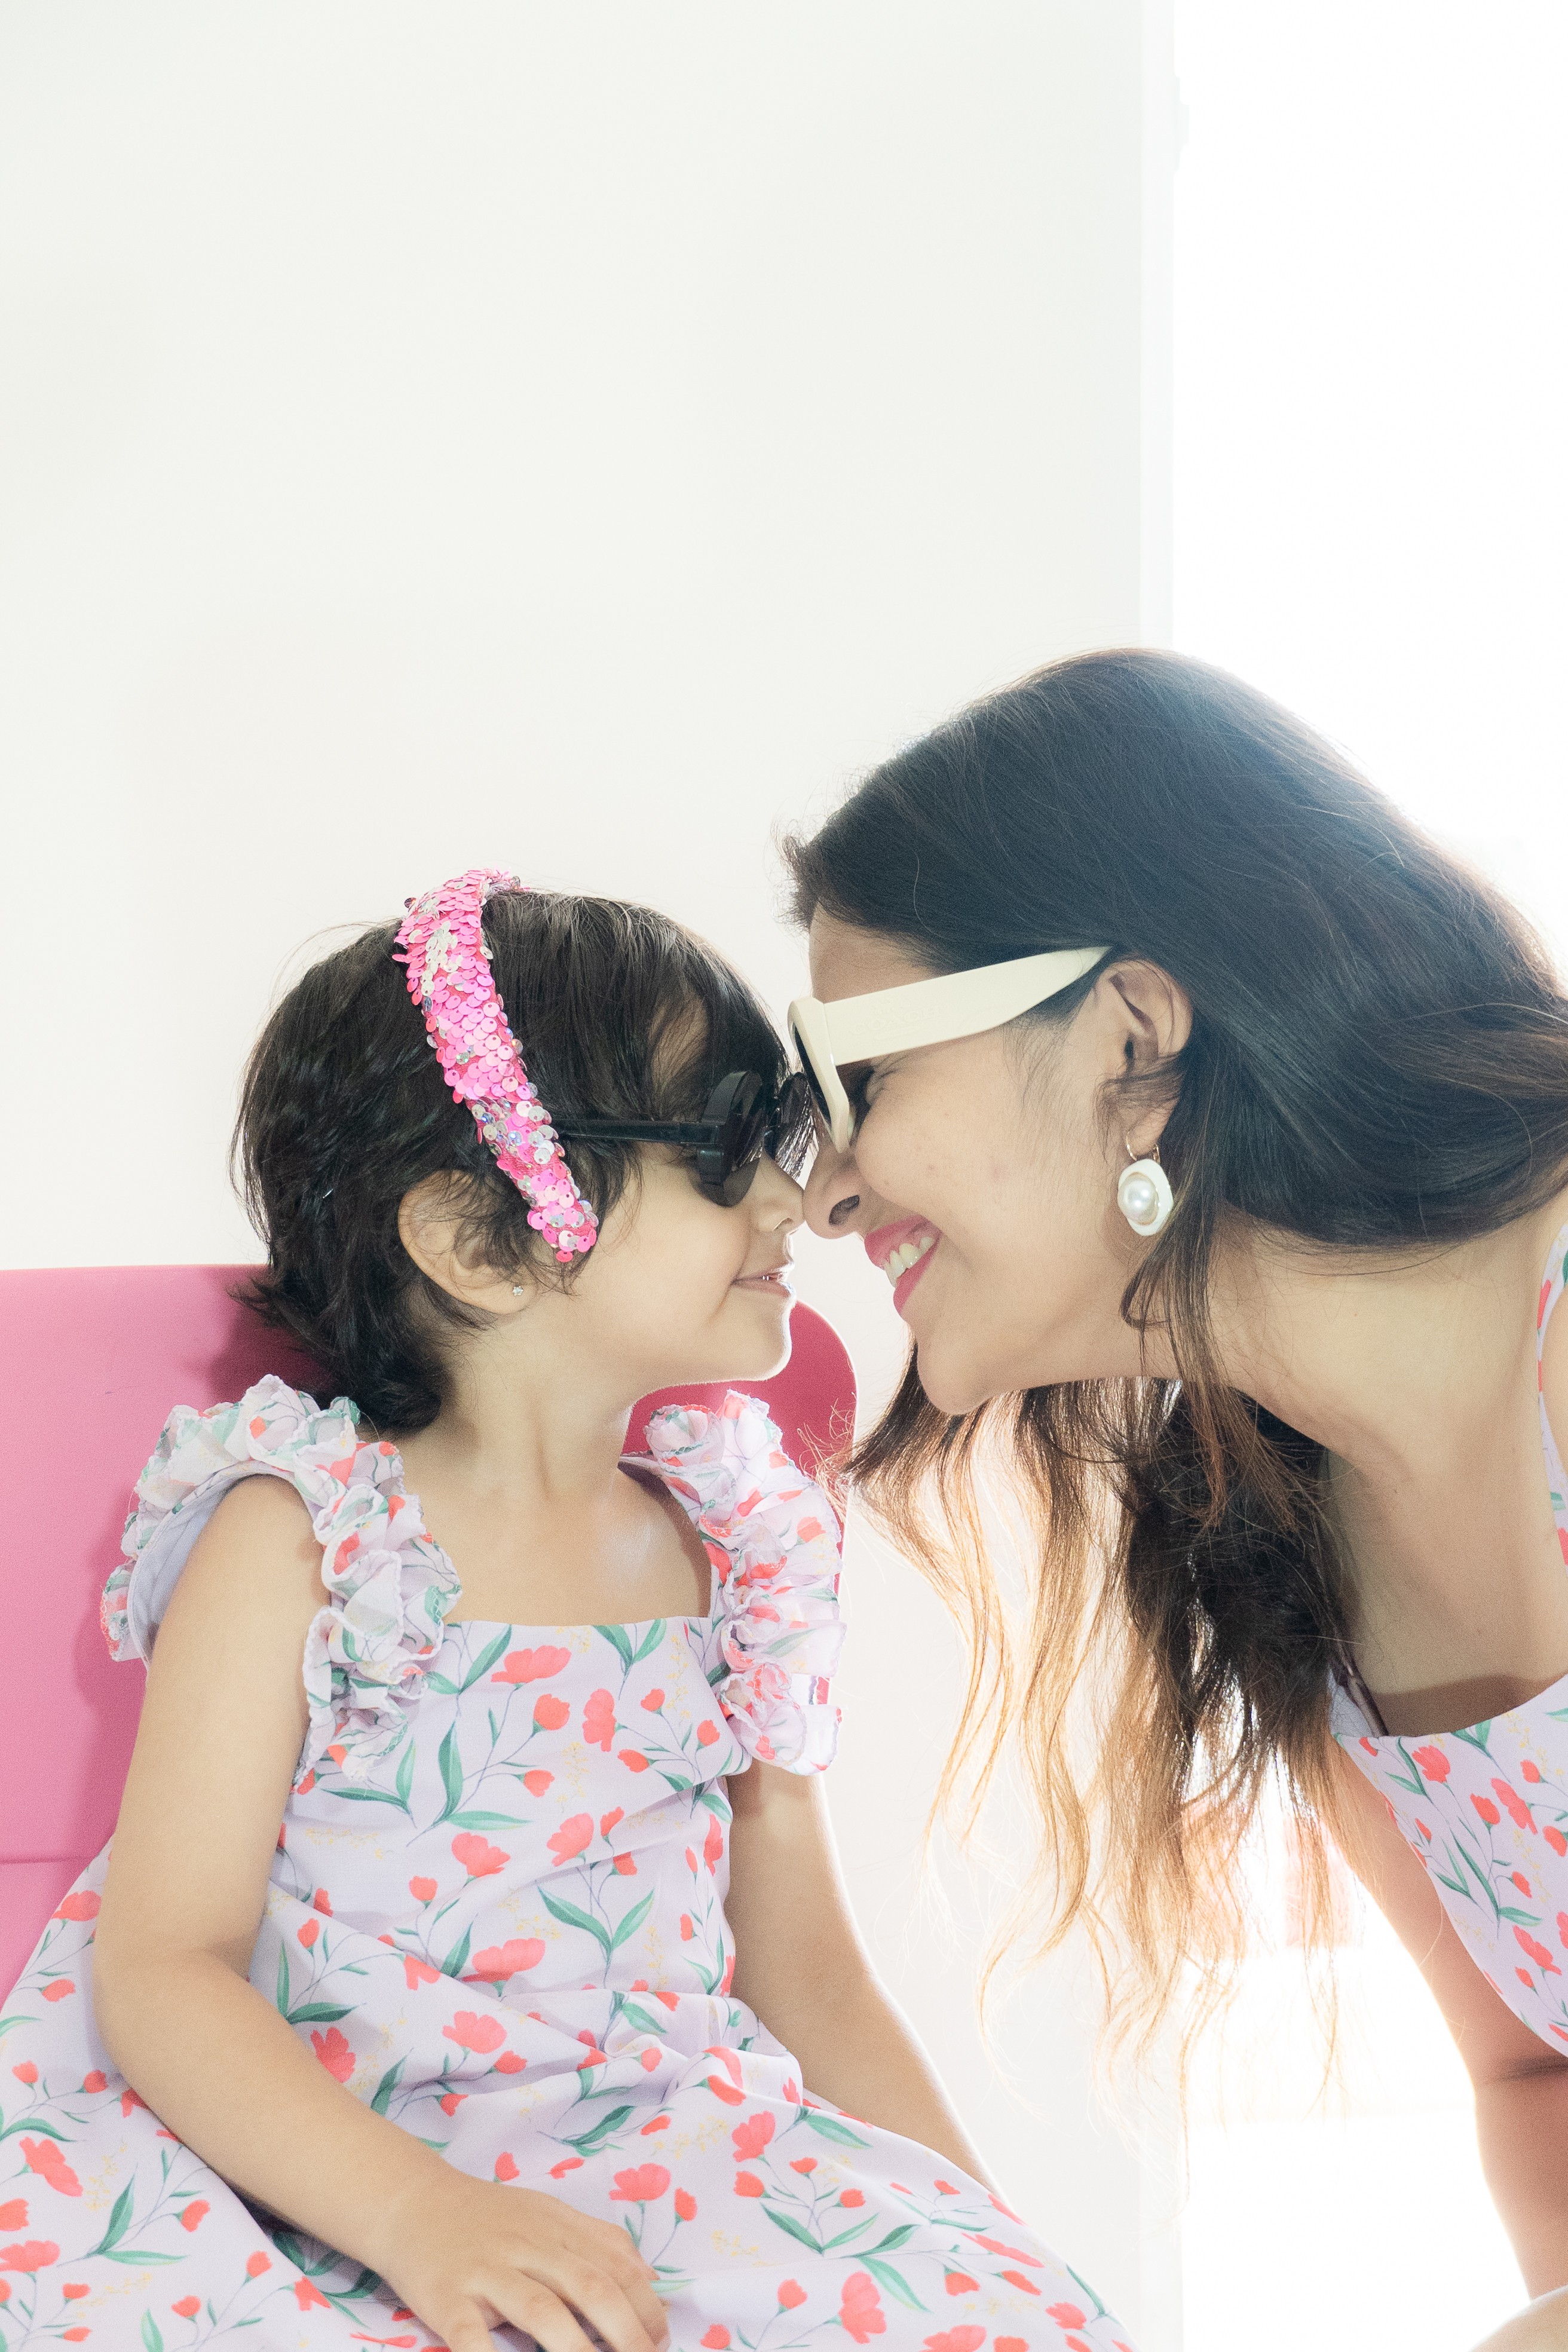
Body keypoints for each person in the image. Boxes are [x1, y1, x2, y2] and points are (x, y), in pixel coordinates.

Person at [4, 871, 1132, 2352]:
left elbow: (807, 1974)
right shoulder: (305, 1536)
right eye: (729, 1151)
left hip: (664, 2156)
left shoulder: (727, 1540)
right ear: (481, 1239)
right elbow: (162, 1965)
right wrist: (418, 2216)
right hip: (321, 2173)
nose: (797, 1201)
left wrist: (981, 2241)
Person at [784, 649, 1568, 2348]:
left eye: (864, 1079)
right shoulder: (1280, 1530)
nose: (831, 1190)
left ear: (1134, 1034)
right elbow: (1531, 2064)